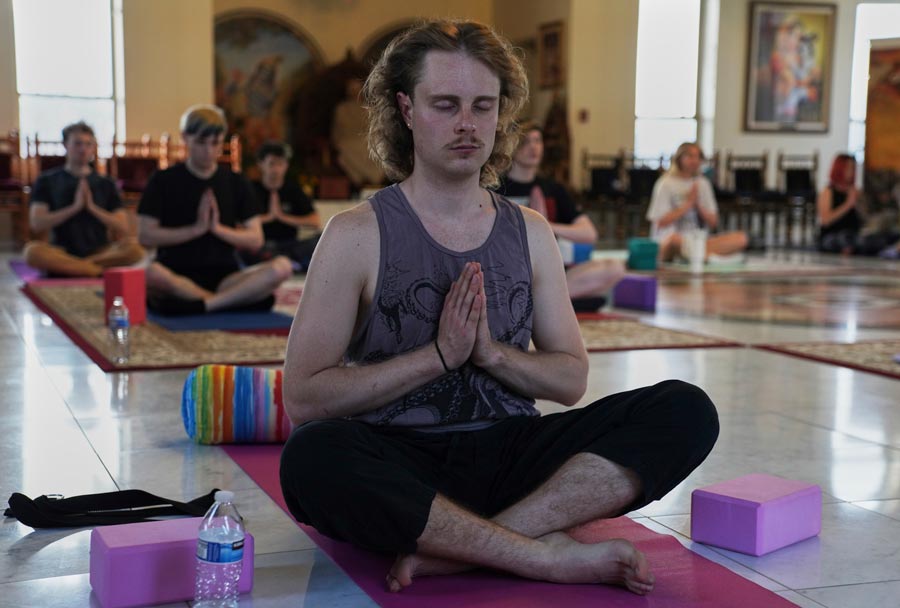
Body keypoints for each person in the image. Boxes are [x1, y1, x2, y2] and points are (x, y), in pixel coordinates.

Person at [279, 20, 718, 597]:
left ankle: (475, 549)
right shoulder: (356, 234)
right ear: (407, 110)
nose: (467, 124)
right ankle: (542, 556)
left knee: (686, 409)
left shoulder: (530, 232)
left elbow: (569, 380)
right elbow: (304, 397)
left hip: (513, 456)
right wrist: (439, 356)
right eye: (446, 105)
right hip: (400, 462)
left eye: (483, 106)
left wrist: (491, 355)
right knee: (311, 458)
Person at [137, 105, 292, 315]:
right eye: (201, 142)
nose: (209, 151)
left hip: (226, 277)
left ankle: (207, 304)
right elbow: (145, 235)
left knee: (282, 267)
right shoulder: (163, 179)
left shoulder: (236, 181)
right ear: (185, 138)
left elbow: (256, 239)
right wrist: (195, 230)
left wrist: (217, 229)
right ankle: (234, 301)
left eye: (215, 143)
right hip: (176, 274)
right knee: (149, 272)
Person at [497, 123, 624, 311]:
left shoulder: (553, 189)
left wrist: (545, 224)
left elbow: (589, 234)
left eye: (537, 141)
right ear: (512, 146)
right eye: (526, 141)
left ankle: (534, 303)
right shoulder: (496, 188)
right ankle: (553, 303)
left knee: (614, 268)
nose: (533, 147)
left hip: (551, 273)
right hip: (508, 269)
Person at [24, 122, 144, 277]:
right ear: (66, 145)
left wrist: (92, 207)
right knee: (32, 252)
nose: (83, 149)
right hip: (61, 251)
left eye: (88, 144)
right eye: (78, 143)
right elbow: (37, 223)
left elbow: (122, 226)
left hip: (101, 251)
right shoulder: (47, 180)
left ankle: (76, 269)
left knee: (135, 250)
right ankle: (96, 271)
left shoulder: (106, 182)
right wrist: (75, 207)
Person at [647, 142, 748, 263]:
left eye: (698, 157)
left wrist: (697, 205)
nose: (694, 160)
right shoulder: (665, 183)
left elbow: (713, 222)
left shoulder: (703, 183)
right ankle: (708, 257)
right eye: (690, 156)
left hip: (697, 239)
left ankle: (698, 256)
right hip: (670, 240)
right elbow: (660, 222)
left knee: (741, 238)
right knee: (674, 241)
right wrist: (688, 204)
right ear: (679, 158)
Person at [240, 141, 321, 272]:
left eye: (280, 164)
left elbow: (315, 221)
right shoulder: (250, 189)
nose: (276, 169)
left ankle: (284, 262)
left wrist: (282, 217)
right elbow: (238, 224)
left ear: (286, 165)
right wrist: (268, 217)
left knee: (321, 239)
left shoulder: (293, 189)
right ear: (261, 164)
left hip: (289, 245)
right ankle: (287, 264)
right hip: (262, 245)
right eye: (271, 164)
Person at [816, 154, 865, 254]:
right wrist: (848, 204)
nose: (851, 172)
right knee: (843, 239)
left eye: (853, 168)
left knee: (868, 240)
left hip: (853, 234)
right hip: (832, 234)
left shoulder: (855, 191)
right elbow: (825, 220)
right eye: (848, 168)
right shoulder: (828, 192)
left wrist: (858, 203)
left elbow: (863, 220)